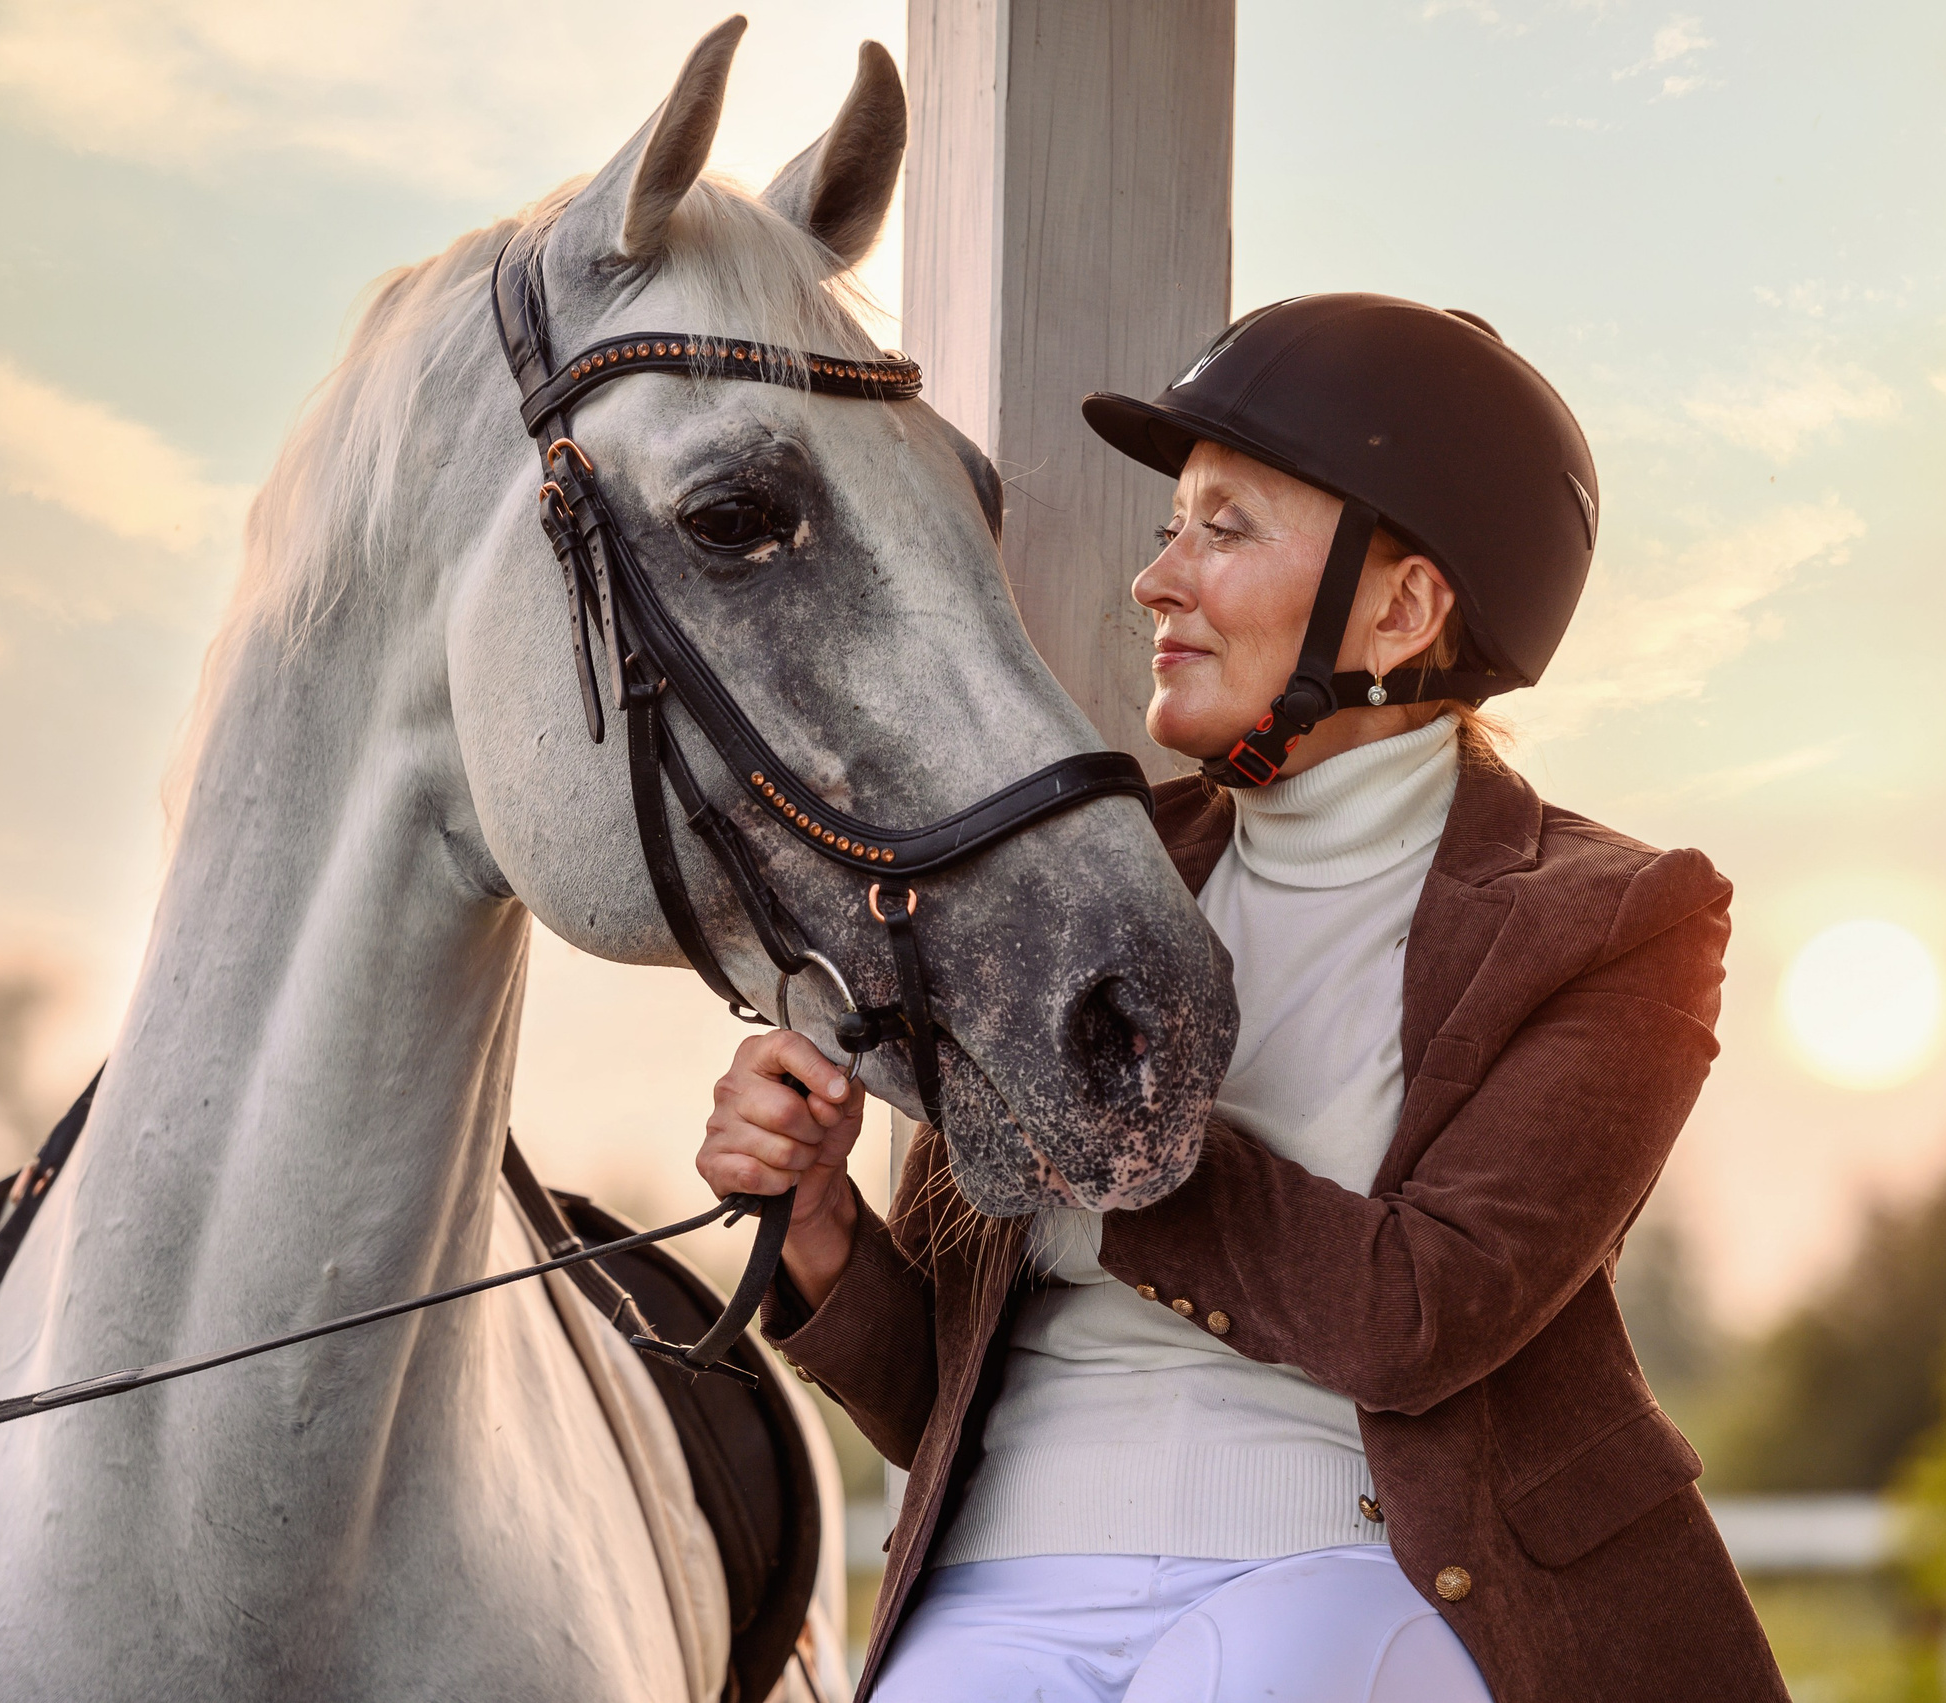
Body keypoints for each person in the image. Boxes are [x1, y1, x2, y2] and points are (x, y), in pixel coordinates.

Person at [693, 295, 1788, 1702]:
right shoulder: (1075, 886)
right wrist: (829, 1232)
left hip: (1354, 1574)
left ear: (1399, 610)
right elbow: (931, 1396)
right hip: (1003, 1577)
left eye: (1226, 527)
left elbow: (1414, 1317)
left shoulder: (1619, 923)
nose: (1158, 579)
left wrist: (1116, 1126)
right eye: (1172, 528)